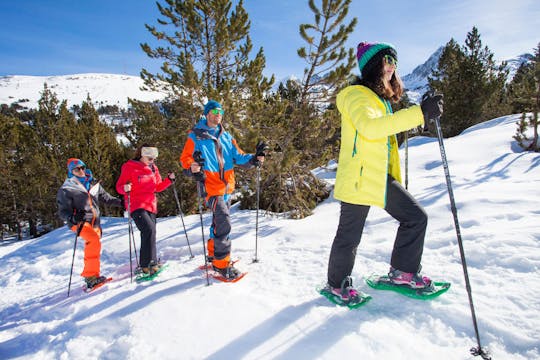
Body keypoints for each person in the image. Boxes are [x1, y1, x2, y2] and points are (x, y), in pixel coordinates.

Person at [324, 42, 444, 305]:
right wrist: (418, 114)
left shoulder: (381, 100)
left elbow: (384, 132)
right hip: (359, 176)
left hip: (378, 175)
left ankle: (402, 272)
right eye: (387, 59)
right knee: (349, 236)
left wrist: (419, 115)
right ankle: (336, 285)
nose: (391, 66)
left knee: (415, 217)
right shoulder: (355, 95)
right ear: (372, 65)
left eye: (395, 61)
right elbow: (370, 128)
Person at [180, 100, 266, 280]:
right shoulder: (195, 136)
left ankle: (213, 254)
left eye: (221, 111)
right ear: (207, 114)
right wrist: (193, 167)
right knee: (224, 221)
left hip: (227, 187)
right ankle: (221, 264)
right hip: (210, 187)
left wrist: (255, 158)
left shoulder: (226, 136)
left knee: (218, 222)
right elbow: (185, 159)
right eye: (214, 110)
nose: (218, 113)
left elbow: (239, 156)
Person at [57, 158, 123, 289]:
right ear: (71, 172)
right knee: (93, 241)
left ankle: (94, 275)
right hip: (80, 222)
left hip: (95, 221)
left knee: (94, 245)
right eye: (77, 169)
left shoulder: (93, 183)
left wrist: (122, 203)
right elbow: (62, 211)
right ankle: (91, 277)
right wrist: (73, 217)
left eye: (82, 168)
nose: (81, 171)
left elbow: (106, 198)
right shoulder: (67, 188)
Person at [116, 145, 175, 275]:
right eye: (149, 158)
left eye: (154, 158)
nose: (152, 160)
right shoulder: (129, 167)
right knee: (148, 229)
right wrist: (125, 187)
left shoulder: (154, 168)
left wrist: (169, 180)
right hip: (136, 205)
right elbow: (119, 187)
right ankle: (145, 264)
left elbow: (157, 187)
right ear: (142, 155)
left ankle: (152, 261)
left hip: (151, 205)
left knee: (151, 233)